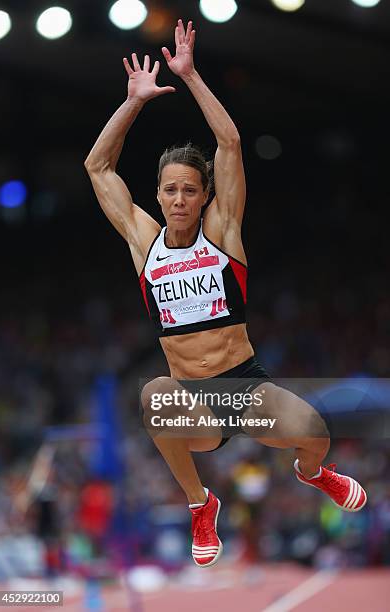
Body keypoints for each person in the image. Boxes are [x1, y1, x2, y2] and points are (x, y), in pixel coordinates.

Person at [85, 19, 367, 568]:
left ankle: (311, 474)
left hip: (244, 389)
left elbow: (230, 142)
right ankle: (200, 502)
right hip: (193, 400)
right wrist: (133, 102)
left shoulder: (224, 233)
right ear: (159, 196)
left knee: (315, 435)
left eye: (190, 189)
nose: (179, 198)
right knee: (152, 396)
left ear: (205, 195)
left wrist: (189, 77)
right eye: (170, 190)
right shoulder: (145, 242)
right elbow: (98, 166)